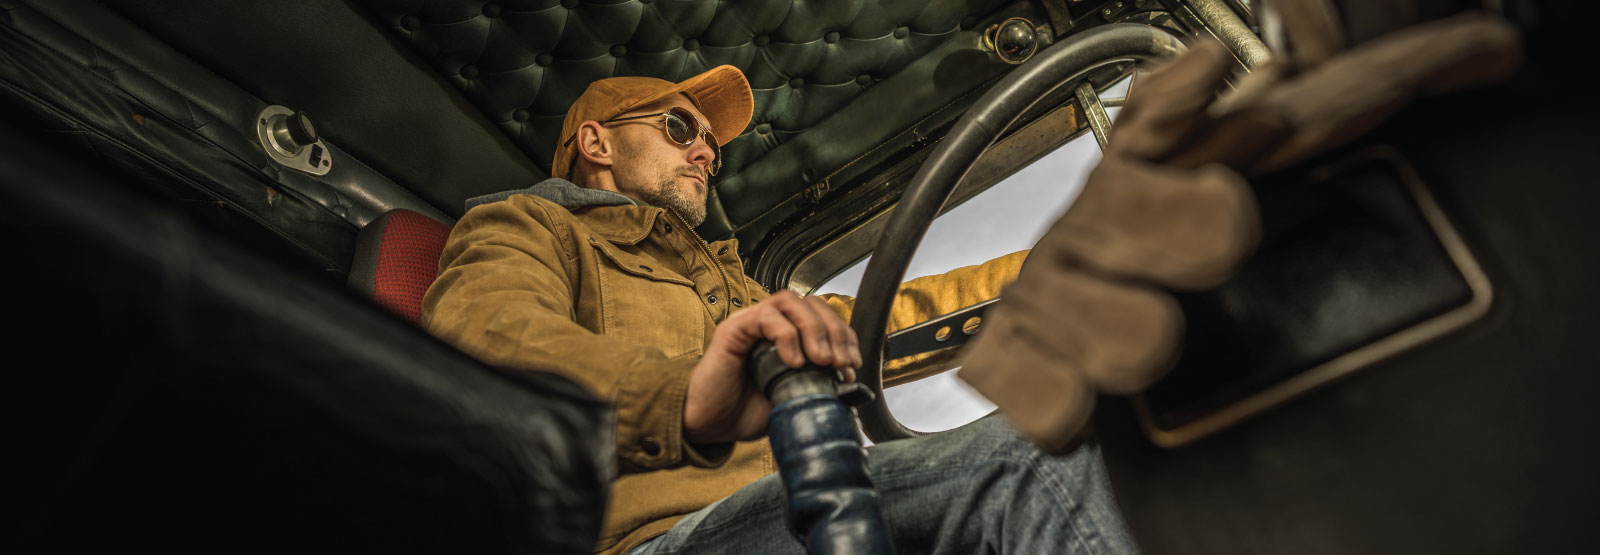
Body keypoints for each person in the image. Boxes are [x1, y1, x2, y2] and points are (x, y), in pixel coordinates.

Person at [421, 65, 1136, 554]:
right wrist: (684, 398)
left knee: (1103, 438)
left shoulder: (738, 287)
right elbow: (490, 346)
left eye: (711, 144)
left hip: (800, 508)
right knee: (1026, 462)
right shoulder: (530, 226)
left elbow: (888, 315)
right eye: (679, 127)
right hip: (652, 539)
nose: (705, 150)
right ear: (597, 142)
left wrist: (1059, 277)